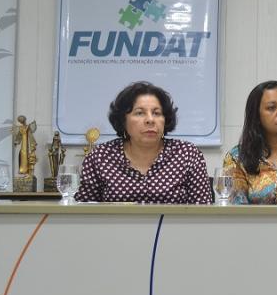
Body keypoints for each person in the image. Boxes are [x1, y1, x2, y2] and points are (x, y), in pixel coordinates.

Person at [76, 82, 212, 204]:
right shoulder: (100, 157)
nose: (150, 120)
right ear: (123, 120)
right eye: (140, 113)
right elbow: (83, 213)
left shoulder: (187, 154)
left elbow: (203, 211)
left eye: (157, 113)